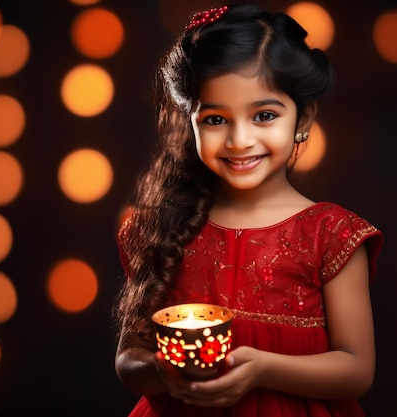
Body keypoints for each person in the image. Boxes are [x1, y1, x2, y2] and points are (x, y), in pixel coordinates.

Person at [113, 4, 383, 416]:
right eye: (216, 119)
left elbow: (356, 369)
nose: (240, 140)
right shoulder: (163, 227)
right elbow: (128, 360)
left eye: (264, 115)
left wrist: (263, 369)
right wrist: (164, 372)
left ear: (303, 118)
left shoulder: (331, 234)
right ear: (191, 122)